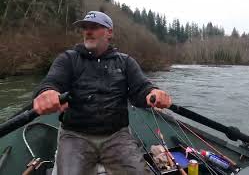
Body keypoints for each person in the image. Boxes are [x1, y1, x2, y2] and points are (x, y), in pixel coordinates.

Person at [33, 11, 172, 175]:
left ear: (110, 32)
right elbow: (51, 82)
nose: (88, 31)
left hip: (117, 136)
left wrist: (153, 93)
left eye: (95, 27)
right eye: (85, 27)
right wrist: (47, 92)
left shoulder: (126, 62)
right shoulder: (68, 59)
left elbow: (142, 89)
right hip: (75, 136)